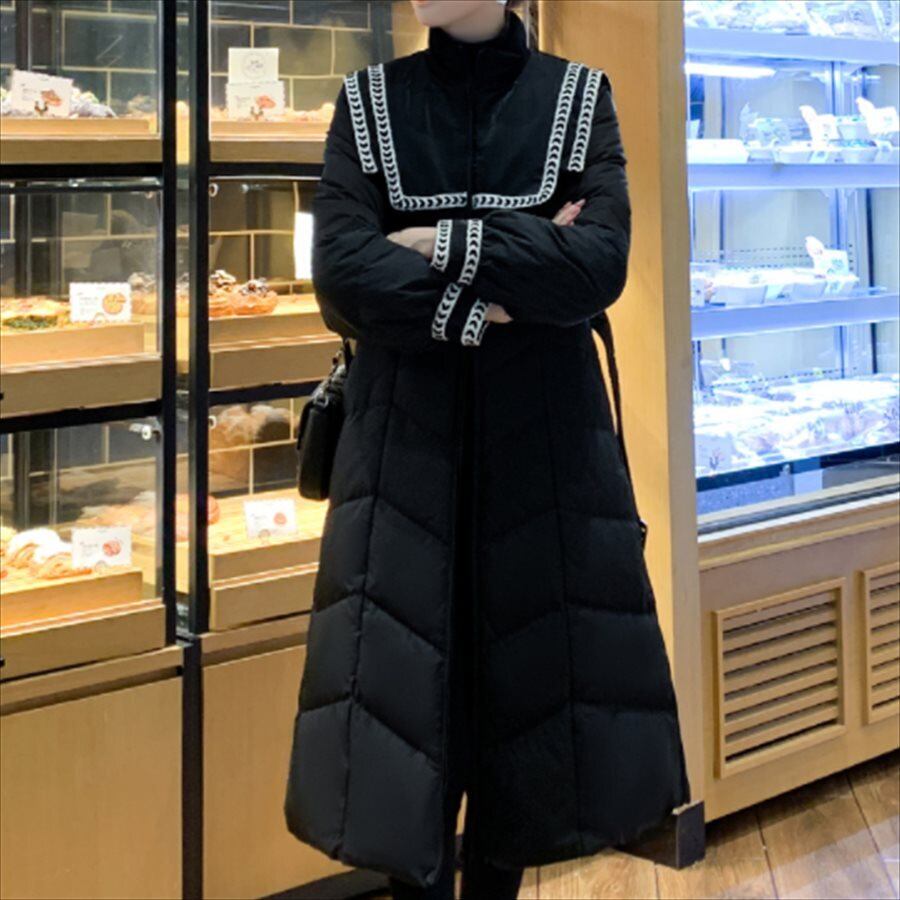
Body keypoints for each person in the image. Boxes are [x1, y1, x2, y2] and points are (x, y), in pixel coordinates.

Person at [284, 2, 692, 899]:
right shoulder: (370, 100)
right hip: (402, 464)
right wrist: (493, 292)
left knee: (529, 730)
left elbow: (596, 265)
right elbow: (343, 275)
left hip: (545, 458)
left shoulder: (577, 96)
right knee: (401, 731)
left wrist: (435, 239)